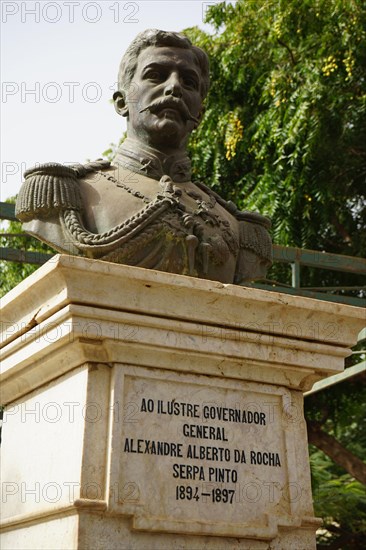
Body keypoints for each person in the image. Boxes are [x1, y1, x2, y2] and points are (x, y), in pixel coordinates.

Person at [16, 29, 272, 284]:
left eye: (189, 82)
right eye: (155, 76)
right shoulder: (66, 193)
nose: (174, 87)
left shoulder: (241, 229)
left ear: (200, 114)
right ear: (122, 102)